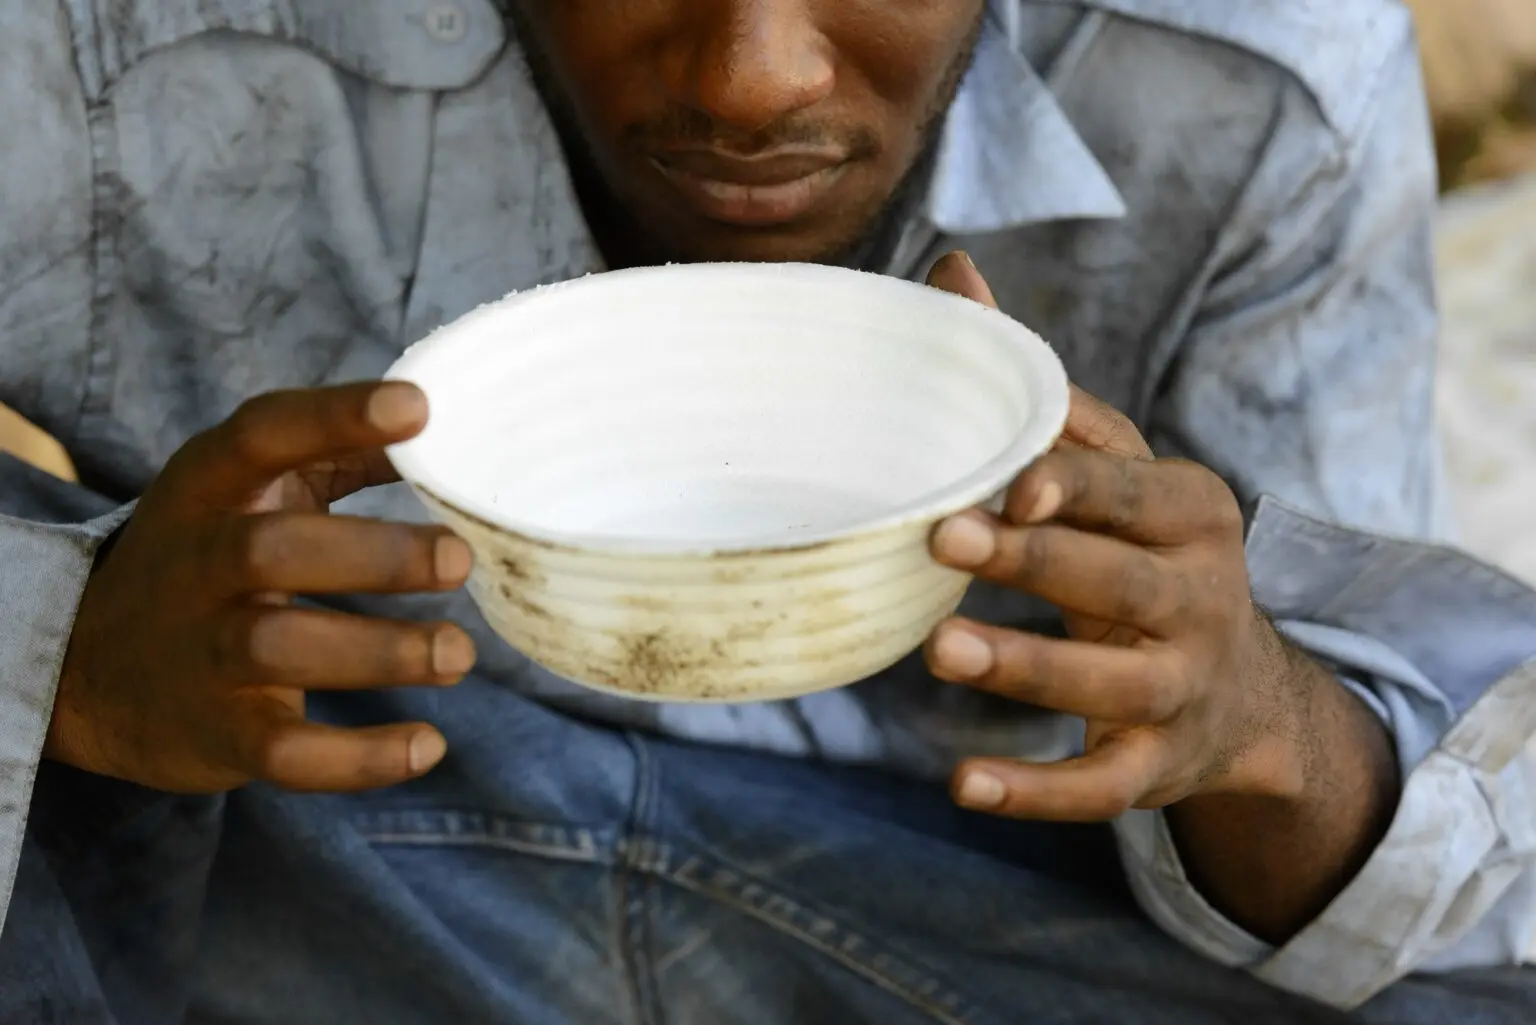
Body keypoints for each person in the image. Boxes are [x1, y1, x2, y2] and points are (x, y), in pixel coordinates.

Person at [0, 0, 1533, 1021]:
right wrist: (72, 666)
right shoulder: (85, 47)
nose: (757, 81)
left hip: (947, 892)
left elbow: (1430, 848)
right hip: (295, 873)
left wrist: (1258, 719)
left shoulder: (1257, 82)